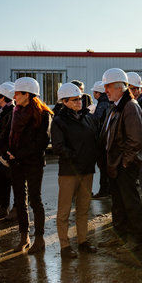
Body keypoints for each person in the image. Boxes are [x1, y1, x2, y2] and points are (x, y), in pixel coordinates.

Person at [99, 68, 142, 252]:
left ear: (120, 87)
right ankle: (120, 235)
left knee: (130, 202)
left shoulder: (130, 106)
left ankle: (136, 239)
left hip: (124, 166)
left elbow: (135, 140)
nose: (106, 91)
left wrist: (125, 162)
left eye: (108, 87)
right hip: (115, 165)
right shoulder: (118, 105)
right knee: (119, 203)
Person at [51, 83, 98, 258]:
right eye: (74, 100)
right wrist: (76, 156)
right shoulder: (59, 121)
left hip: (87, 170)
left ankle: (83, 241)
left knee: (83, 208)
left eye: (80, 99)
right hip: (69, 172)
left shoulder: (87, 118)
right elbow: (57, 146)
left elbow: (95, 139)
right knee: (64, 211)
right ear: (64, 101)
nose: (79, 102)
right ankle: (65, 246)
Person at [9, 77, 52, 254]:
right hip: (16, 163)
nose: (14, 96)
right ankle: (23, 236)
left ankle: (39, 238)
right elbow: (8, 135)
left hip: (33, 162)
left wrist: (18, 154)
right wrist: (8, 154)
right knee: (20, 200)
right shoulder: (15, 112)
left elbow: (42, 142)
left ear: (27, 94)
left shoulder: (43, 114)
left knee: (35, 200)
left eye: (17, 93)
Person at [0, 82, 15, 220]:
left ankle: (10, 209)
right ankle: (2, 208)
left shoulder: (10, 112)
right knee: (0, 182)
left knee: (7, 181)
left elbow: (6, 134)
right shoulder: (0, 111)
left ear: (4, 96)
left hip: (3, 153)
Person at [127, 72, 142, 203]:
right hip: (129, 144)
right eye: (132, 88)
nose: (135, 91)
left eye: (137, 88)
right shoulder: (124, 104)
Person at [91, 80, 111, 199]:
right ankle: (108, 190)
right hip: (107, 138)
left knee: (103, 167)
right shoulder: (108, 102)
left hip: (102, 139)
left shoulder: (102, 103)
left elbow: (97, 120)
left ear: (98, 93)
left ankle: (104, 190)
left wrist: (87, 115)